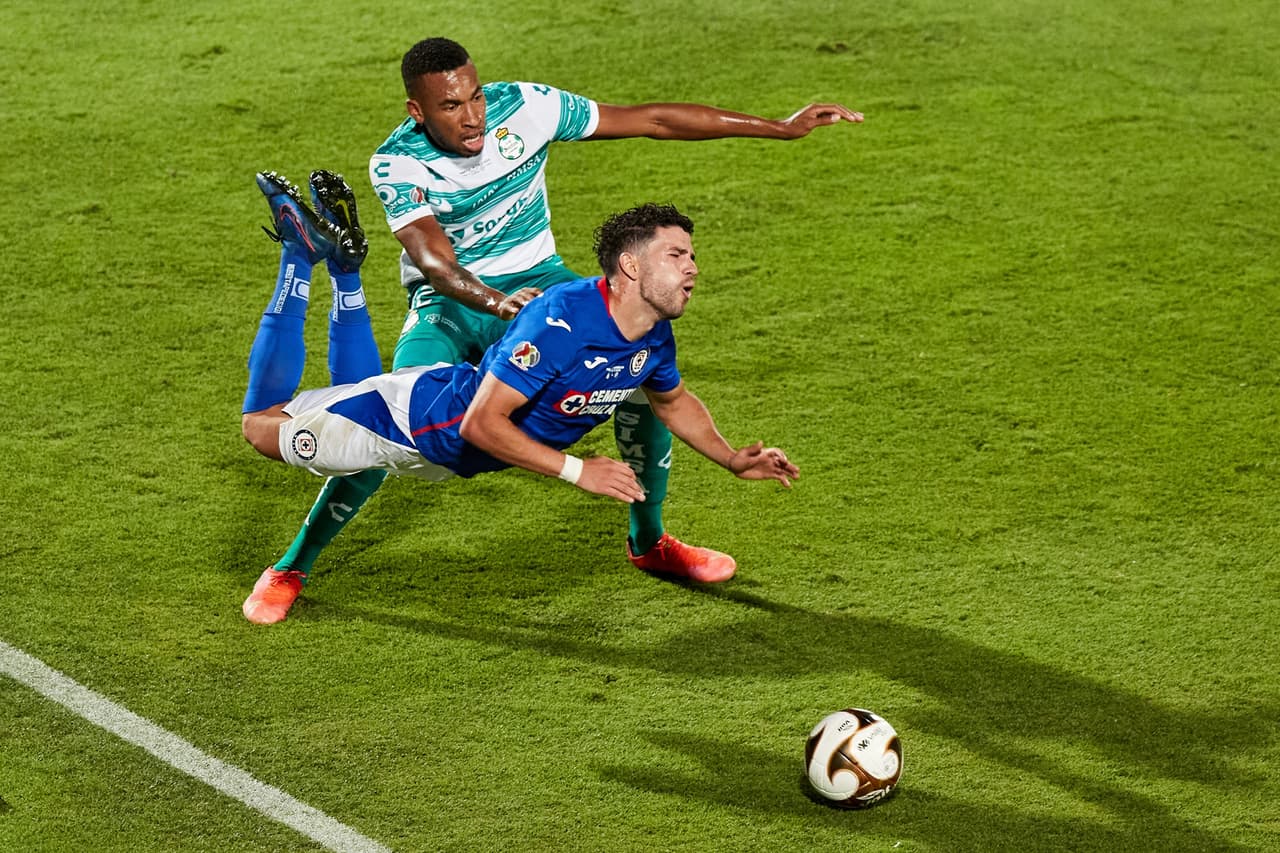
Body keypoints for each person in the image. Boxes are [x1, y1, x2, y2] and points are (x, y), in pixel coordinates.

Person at [256, 37, 856, 621]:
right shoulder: (398, 161)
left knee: (642, 383)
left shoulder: (528, 107)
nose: (471, 119)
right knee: (394, 420)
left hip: (543, 284)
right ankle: (293, 566)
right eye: (449, 106)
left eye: (474, 98)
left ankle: (649, 543)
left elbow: (653, 120)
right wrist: (498, 305)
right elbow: (436, 264)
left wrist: (780, 126)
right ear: (417, 110)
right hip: (454, 303)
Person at [240, 177, 799, 624]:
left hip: (454, 454)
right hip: (411, 422)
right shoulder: (563, 321)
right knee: (259, 428)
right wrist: (579, 470)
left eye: (692, 255)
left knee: (342, 402)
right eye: (677, 254)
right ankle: (312, 264)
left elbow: (673, 402)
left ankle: (337, 267)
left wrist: (731, 458)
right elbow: (482, 425)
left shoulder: (650, 331)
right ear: (631, 266)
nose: (693, 267)